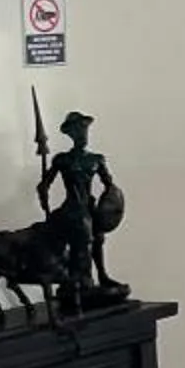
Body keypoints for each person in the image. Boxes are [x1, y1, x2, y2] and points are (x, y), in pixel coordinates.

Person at [38, 112, 126, 305]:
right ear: (71, 134)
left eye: (85, 131)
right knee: (83, 241)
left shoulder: (96, 159)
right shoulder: (63, 160)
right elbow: (44, 184)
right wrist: (44, 197)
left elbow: (109, 186)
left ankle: (101, 275)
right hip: (72, 208)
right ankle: (83, 281)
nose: (83, 135)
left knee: (98, 238)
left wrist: (110, 206)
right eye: (79, 131)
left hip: (89, 206)